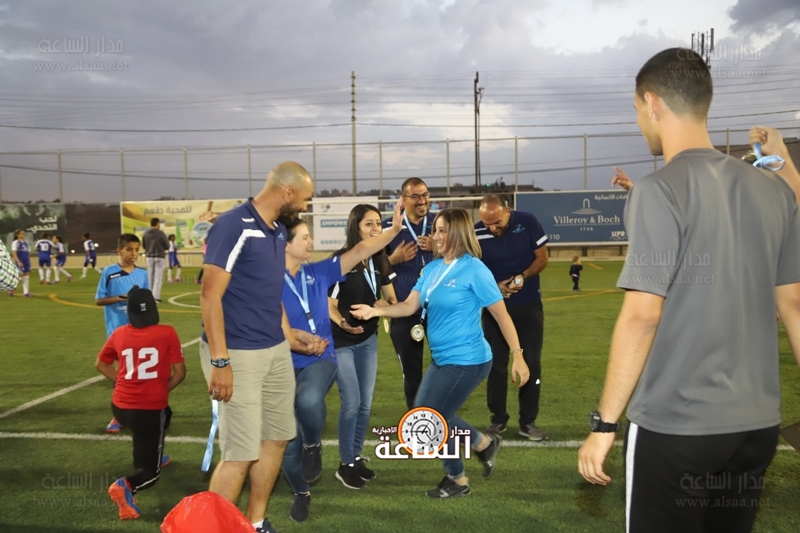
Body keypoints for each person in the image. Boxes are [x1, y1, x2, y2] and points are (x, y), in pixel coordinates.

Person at [577, 48, 800, 533]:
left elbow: (642, 315)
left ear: (652, 102)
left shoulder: (658, 189)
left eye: (636, 109)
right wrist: (784, 163)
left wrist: (605, 424)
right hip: (757, 426)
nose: (639, 120)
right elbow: (794, 307)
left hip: (677, 427)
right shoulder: (775, 190)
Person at [352, 208, 530, 498]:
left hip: (469, 360)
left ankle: (458, 480)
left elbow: (501, 315)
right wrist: (375, 311)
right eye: (435, 229)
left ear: (458, 233)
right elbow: (409, 306)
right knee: (425, 413)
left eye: (442, 230)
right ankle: (484, 444)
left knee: (432, 418)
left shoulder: (475, 270)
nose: (435, 236)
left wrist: (518, 355)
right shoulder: (433, 269)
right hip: (442, 359)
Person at [200, 161, 318, 533]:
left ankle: (253, 523)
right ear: (288, 192)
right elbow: (209, 296)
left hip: (275, 350)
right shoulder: (233, 225)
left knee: (277, 439)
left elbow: (270, 293)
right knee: (240, 453)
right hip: (237, 353)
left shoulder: (277, 231)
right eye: (304, 199)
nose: (304, 207)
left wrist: (289, 335)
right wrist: (221, 361)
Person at [280, 204, 402, 522]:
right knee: (286, 437)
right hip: (285, 359)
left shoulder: (320, 271)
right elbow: (267, 324)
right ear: (285, 245)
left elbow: (363, 252)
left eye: (310, 236)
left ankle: (320, 448)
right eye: (304, 237)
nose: (311, 242)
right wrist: (297, 337)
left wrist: (394, 230)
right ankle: (301, 491)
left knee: (315, 401)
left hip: (325, 354)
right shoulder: (268, 281)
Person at [95, 286, 186, 520]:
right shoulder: (167, 332)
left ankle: (153, 453)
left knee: (162, 418)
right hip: (149, 411)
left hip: (120, 408)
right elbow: (179, 373)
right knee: (150, 473)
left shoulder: (119, 334)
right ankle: (127, 485)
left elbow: (101, 364)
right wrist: (159, 390)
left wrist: (122, 382)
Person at [328, 205, 398, 490]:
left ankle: (355, 457)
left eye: (378, 223)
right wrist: (343, 323)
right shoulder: (342, 260)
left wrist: (381, 305)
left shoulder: (380, 258)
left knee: (365, 404)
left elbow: (392, 300)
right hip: (341, 341)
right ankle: (345, 464)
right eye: (369, 223)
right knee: (352, 402)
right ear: (355, 227)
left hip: (368, 340)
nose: (375, 228)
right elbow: (328, 305)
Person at [475, 194, 549, 441]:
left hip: (528, 305)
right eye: (487, 224)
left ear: (507, 211)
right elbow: (474, 270)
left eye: (497, 223)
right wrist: (494, 286)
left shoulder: (528, 222)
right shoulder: (477, 233)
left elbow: (542, 258)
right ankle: (498, 419)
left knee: (532, 363)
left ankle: (528, 422)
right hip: (494, 309)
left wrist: (522, 276)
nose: (492, 229)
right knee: (495, 365)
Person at [383, 177, 436, 409]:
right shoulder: (387, 227)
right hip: (404, 310)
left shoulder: (440, 224)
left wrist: (438, 247)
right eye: (415, 196)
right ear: (403, 199)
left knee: (446, 365)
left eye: (425, 195)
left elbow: (464, 256)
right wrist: (392, 260)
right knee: (412, 372)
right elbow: (369, 266)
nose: (422, 200)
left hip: (439, 309)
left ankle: (441, 413)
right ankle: (417, 418)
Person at [96, 233, 149, 433]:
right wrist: (121, 297)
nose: (133, 254)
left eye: (137, 250)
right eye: (129, 249)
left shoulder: (142, 274)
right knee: (121, 374)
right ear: (119, 250)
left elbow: (146, 301)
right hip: (117, 332)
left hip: (139, 331)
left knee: (140, 373)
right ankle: (118, 415)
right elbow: (99, 300)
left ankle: (141, 410)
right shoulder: (109, 273)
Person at [142, 218, 169, 300]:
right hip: (159, 257)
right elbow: (167, 246)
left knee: (150, 277)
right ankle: (155, 297)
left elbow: (144, 245)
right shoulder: (161, 233)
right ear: (157, 223)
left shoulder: (146, 233)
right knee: (158, 278)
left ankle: (149, 296)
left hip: (149, 256)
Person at [9, 229, 31, 297]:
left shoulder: (26, 242)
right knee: (20, 276)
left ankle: (26, 292)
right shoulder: (15, 242)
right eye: (21, 233)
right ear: (17, 235)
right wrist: (18, 261)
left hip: (26, 261)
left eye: (23, 233)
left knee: (26, 276)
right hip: (20, 261)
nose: (23, 235)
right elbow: (14, 253)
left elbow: (27, 253)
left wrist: (28, 261)